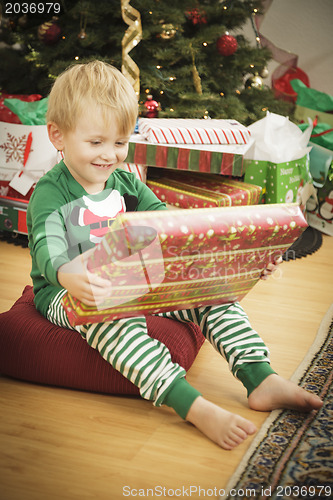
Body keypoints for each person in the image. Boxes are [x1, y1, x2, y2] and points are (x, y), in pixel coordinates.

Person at [27, 60, 322, 450]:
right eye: (96, 142)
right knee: (115, 316)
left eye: (119, 143)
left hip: (135, 278)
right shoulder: (51, 192)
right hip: (69, 292)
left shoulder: (126, 182)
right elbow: (47, 248)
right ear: (58, 135)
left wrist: (238, 258)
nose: (109, 155)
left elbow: (168, 224)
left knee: (214, 295)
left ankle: (260, 377)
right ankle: (192, 405)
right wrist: (67, 274)